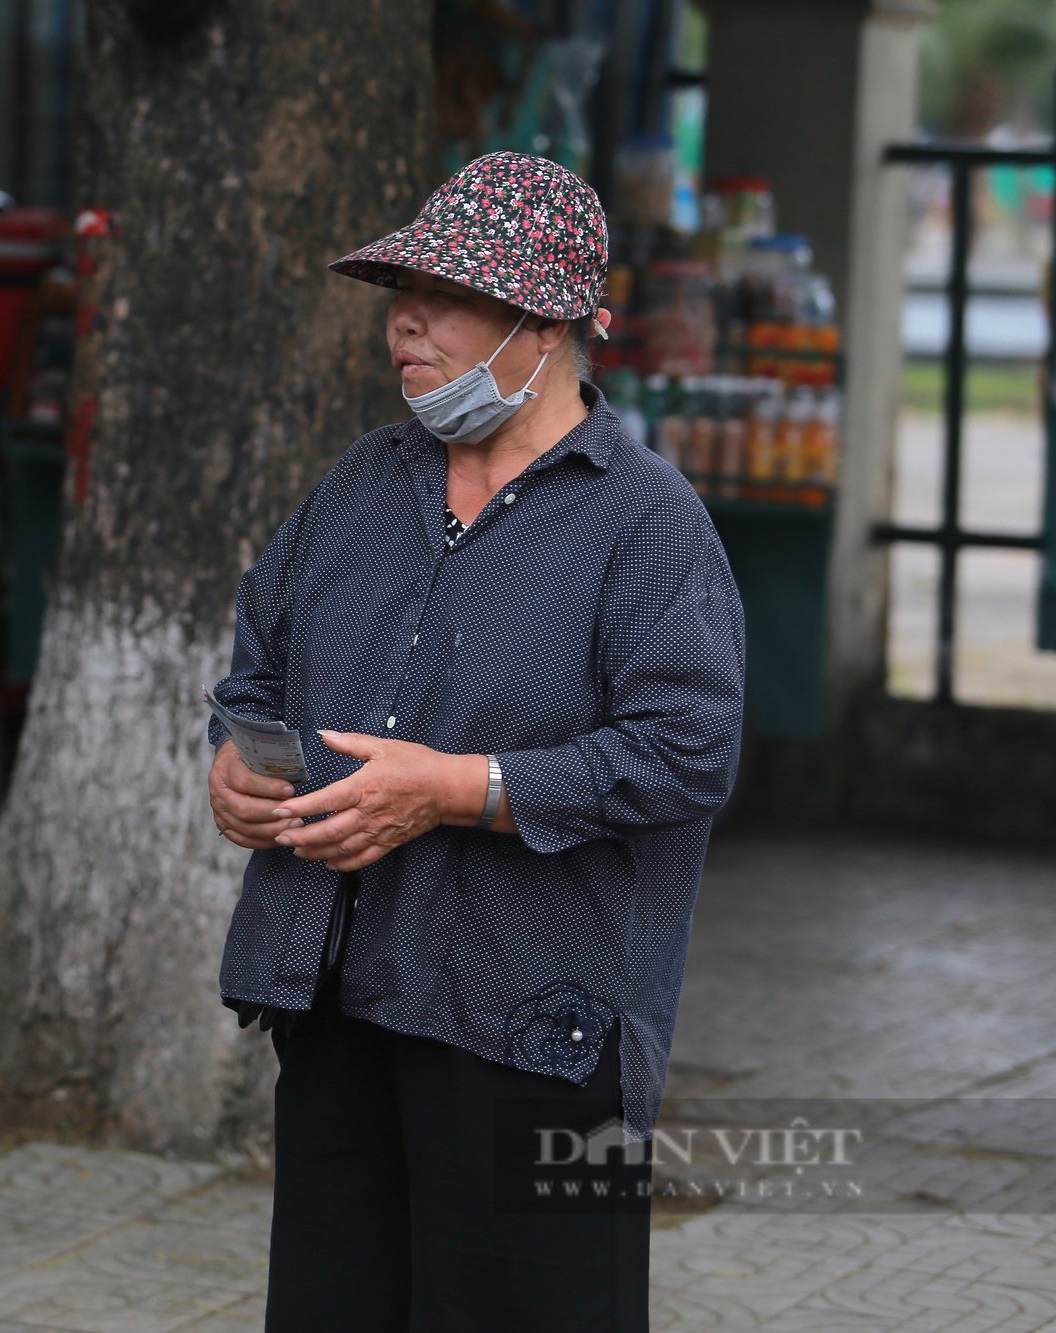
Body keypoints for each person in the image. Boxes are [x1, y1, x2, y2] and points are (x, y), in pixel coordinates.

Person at [206, 152, 745, 1331]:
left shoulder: (645, 522)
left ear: (544, 324)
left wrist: (461, 788)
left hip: (526, 1015)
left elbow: (688, 751)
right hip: (343, 992)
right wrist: (236, 766)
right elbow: (256, 661)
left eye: (444, 292)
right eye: (400, 289)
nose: (405, 318)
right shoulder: (364, 479)